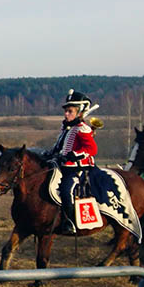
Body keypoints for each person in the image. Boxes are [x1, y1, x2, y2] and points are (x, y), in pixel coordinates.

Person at [46, 90, 98, 235]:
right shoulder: (66, 129)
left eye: (70, 111)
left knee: (66, 190)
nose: (66, 114)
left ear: (79, 112)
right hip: (62, 166)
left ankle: (71, 222)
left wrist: (74, 155)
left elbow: (92, 149)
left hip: (77, 168)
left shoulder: (82, 128)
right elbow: (60, 147)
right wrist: (50, 154)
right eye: (66, 111)